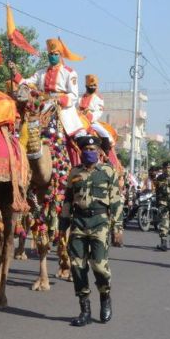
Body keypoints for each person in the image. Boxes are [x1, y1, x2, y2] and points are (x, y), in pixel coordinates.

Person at [58, 135, 123, 326]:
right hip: (79, 222)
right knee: (77, 267)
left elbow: (117, 201)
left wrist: (117, 228)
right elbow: (68, 200)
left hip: (100, 223)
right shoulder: (74, 172)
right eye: (86, 150)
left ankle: (105, 296)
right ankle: (84, 309)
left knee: (99, 267)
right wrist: (63, 227)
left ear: (99, 152)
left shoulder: (108, 172)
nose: (89, 152)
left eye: (93, 150)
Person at [11, 38, 85, 139]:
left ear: (60, 55)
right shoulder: (41, 72)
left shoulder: (69, 72)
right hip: (43, 105)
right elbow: (27, 83)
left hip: (63, 108)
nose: (53, 56)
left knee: (79, 137)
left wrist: (60, 100)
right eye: (51, 54)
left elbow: (74, 95)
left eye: (56, 54)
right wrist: (16, 74)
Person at [78, 74, 114, 153]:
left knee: (105, 133)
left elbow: (99, 112)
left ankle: (106, 155)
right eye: (91, 85)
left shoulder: (98, 99)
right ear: (86, 86)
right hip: (79, 121)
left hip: (92, 122)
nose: (92, 87)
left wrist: (90, 116)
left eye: (94, 85)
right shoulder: (79, 98)